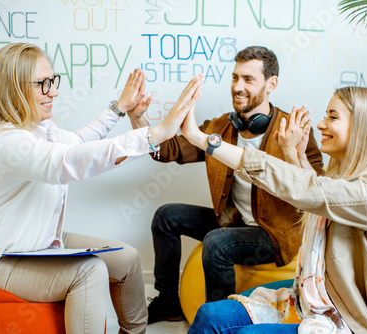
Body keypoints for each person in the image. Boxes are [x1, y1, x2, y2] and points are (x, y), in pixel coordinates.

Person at [0, 43, 203, 334]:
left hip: (37, 241)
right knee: (89, 271)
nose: (54, 92)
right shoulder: (5, 142)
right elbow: (69, 161)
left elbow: (79, 142)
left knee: (127, 258)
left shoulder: (40, 130)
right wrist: (156, 134)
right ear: (13, 89)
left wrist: (119, 109)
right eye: (43, 85)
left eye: (53, 81)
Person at [183, 86, 367, 334]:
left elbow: (312, 191)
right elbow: (318, 198)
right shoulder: (346, 182)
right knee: (209, 315)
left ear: (366, 128)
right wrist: (292, 153)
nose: (321, 125)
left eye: (333, 117)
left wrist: (203, 139)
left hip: (343, 320)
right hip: (304, 301)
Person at [127, 45, 324, 323]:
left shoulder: (293, 130)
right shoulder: (220, 127)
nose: (238, 86)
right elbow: (168, 150)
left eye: (248, 79)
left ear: (272, 84)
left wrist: (296, 154)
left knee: (217, 242)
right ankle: (169, 301)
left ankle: (220, 321)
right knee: (166, 216)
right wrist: (138, 118)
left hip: (274, 235)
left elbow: (319, 188)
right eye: (234, 77)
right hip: (233, 222)